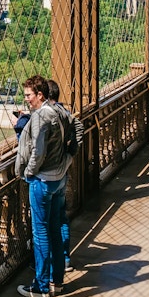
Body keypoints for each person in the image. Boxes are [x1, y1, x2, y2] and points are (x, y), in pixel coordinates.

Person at [14, 75, 72, 297]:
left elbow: (37, 151)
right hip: (59, 178)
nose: (26, 99)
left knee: (40, 234)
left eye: (28, 95)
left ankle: (40, 286)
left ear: (39, 95)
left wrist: (28, 173)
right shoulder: (59, 111)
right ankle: (56, 282)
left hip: (43, 181)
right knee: (55, 230)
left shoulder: (40, 117)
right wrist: (68, 160)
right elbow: (76, 129)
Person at [46, 79, 83, 273]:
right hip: (63, 172)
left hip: (49, 175)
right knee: (61, 217)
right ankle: (64, 259)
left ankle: (50, 266)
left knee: (46, 223)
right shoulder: (64, 113)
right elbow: (79, 128)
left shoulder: (47, 114)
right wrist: (70, 155)